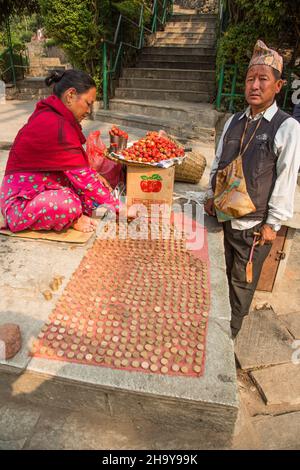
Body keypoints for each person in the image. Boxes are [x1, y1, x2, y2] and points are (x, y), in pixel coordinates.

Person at [204, 40, 300, 339]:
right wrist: (211, 194)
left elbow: (286, 178)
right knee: (219, 277)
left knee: (241, 286)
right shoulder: (234, 120)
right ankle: (215, 329)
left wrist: (273, 224)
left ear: (278, 85)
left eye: (263, 79)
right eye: (250, 79)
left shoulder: (287, 127)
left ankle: (226, 339)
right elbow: (218, 162)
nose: (254, 86)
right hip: (223, 219)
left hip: (254, 227)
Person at [0, 70, 120, 234]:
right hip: (20, 203)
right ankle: (71, 218)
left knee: (94, 193)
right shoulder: (54, 124)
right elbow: (83, 178)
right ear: (70, 95)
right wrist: (121, 209)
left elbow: (76, 171)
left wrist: (95, 179)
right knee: (70, 204)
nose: (89, 111)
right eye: (88, 103)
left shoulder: (56, 118)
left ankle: (74, 214)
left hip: (42, 187)